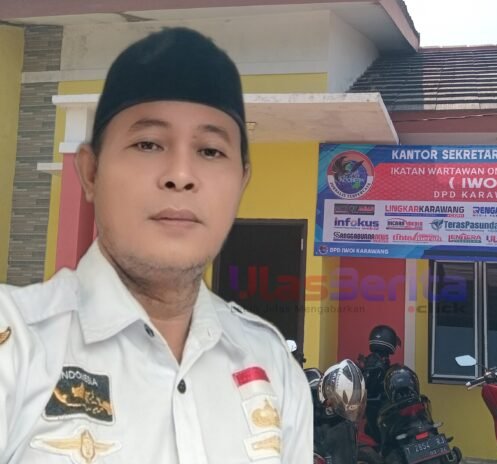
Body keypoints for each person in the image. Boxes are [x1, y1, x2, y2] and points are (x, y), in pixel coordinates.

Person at [0, 27, 311, 463]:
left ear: (241, 182)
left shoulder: (273, 368)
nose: (180, 175)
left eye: (210, 151)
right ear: (90, 172)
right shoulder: (18, 349)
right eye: (147, 144)